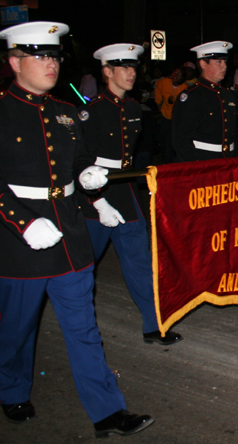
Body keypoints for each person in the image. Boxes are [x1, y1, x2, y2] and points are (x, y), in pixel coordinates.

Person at [0, 22, 153, 437]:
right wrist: (24, 223)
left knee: (83, 328)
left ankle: (107, 411)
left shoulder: (66, 112)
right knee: (16, 329)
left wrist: (92, 184)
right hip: (17, 242)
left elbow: (76, 164)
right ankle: (13, 391)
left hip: (69, 236)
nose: (51, 63)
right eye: (40, 56)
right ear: (15, 62)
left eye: (54, 56)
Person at [81, 43, 182, 345]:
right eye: (123, 68)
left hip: (125, 191)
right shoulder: (90, 112)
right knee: (83, 266)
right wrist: (97, 201)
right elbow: (80, 160)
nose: (131, 73)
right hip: (94, 194)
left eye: (134, 68)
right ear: (107, 72)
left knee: (140, 261)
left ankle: (154, 326)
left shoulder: (136, 108)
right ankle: (80, 326)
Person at [172, 41, 238, 162]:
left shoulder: (228, 95)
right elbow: (181, 139)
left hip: (228, 160)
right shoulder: (192, 96)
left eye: (225, 62)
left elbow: (233, 134)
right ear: (203, 63)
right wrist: (197, 167)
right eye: (219, 62)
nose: (224, 66)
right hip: (203, 161)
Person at [154, 66, 187, 163]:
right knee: (167, 142)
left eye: (179, 74)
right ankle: (168, 163)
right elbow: (158, 92)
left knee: (176, 142)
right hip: (165, 116)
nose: (176, 76)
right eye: (175, 73)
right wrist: (158, 103)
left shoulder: (185, 88)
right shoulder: (164, 82)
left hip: (178, 119)